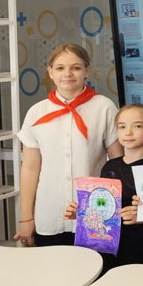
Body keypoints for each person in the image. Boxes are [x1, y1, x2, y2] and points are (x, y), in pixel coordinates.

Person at [14, 43, 123, 247]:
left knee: (94, 265)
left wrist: (114, 213)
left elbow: (118, 165)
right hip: (49, 214)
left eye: (76, 67)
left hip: (94, 215)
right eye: (60, 68)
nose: (68, 74)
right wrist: (26, 218)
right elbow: (30, 168)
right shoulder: (36, 112)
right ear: (50, 72)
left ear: (86, 71)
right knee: (52, 266)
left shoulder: (104, 107)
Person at [64, 104, 143, 279]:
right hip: (108, 249)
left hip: (142, 249)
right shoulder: (110, 166)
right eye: (122, 127)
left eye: (137, 126)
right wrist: (82, 213)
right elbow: (102, 206)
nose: (128, 132)